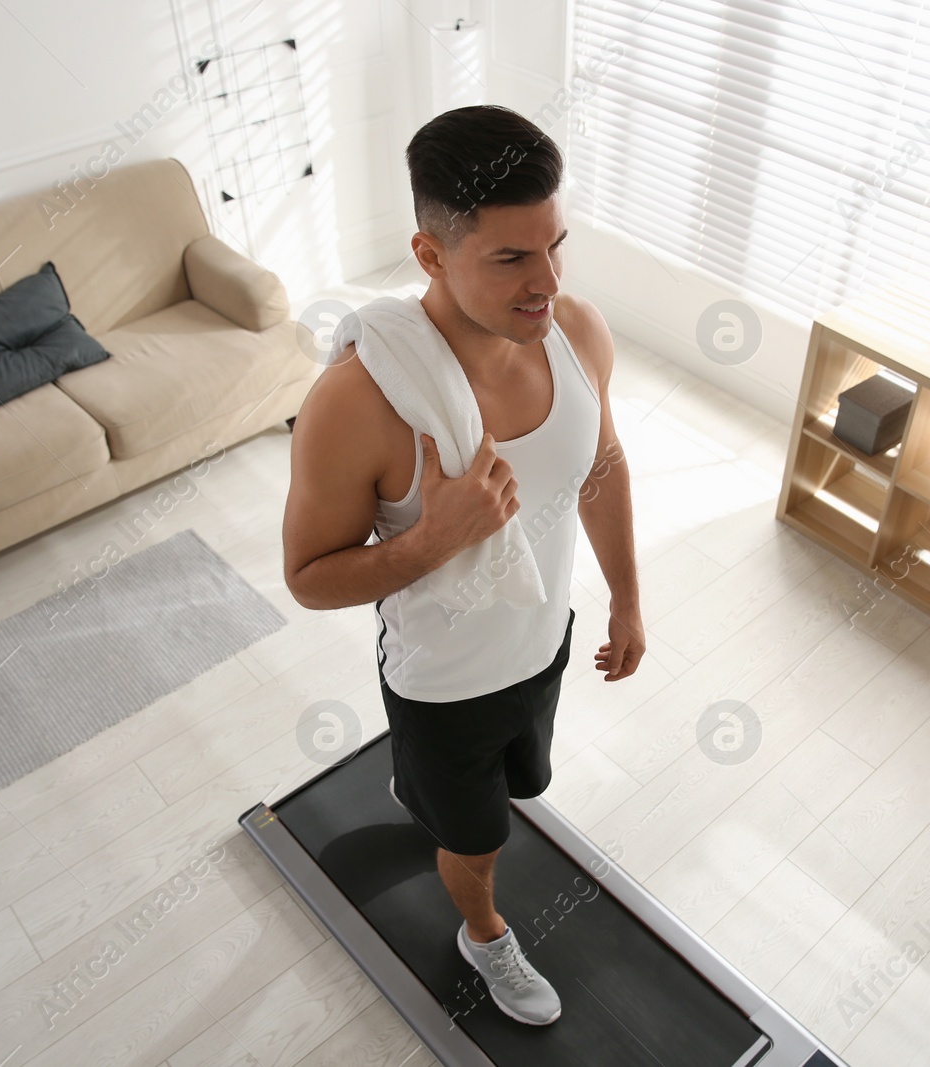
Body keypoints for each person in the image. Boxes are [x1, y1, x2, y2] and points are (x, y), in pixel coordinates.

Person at [282, 104, 645, 1026]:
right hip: (443, 685)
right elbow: (309, 577)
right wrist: (433, 539)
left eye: (557, 247)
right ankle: (482, 931)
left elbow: (602, 465)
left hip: (541, 643)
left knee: (523, 791)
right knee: (478, 844)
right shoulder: (358, 403)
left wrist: (627, 601)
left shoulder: (580, 333)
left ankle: (439, 806)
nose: (548, 284)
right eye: (513, 259)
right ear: (431, 255)